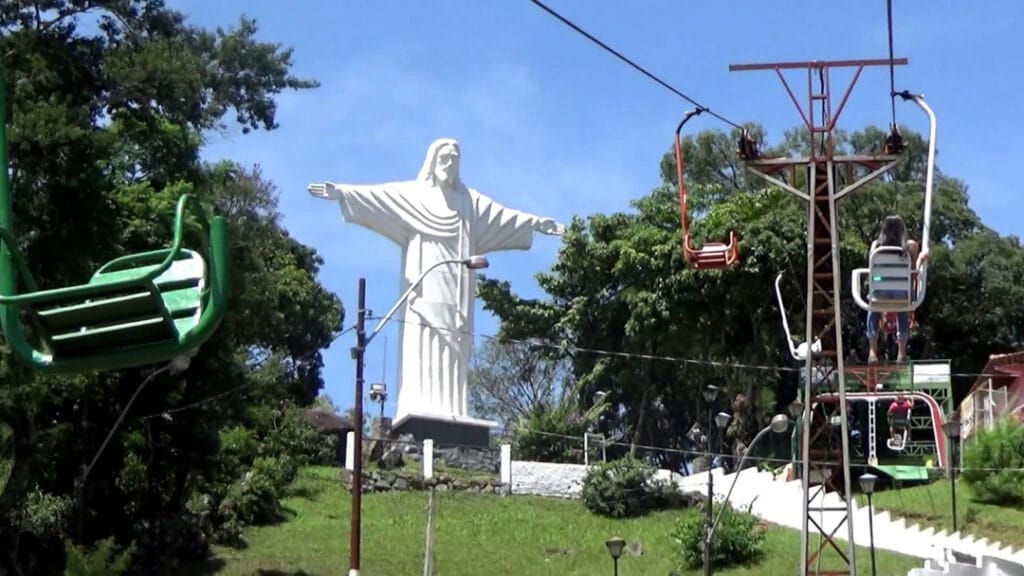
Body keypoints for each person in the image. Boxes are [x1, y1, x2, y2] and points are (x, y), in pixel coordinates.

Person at [866, 215, 929, 364]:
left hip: (879, 294)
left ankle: (872, 352)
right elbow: (913, 273)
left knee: (873, 306)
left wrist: (879, 281)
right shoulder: (911, 246)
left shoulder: (876, 246)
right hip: (902, 294)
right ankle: (901, 352)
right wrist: (921, 259)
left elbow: (872, 271)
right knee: (903, 306)